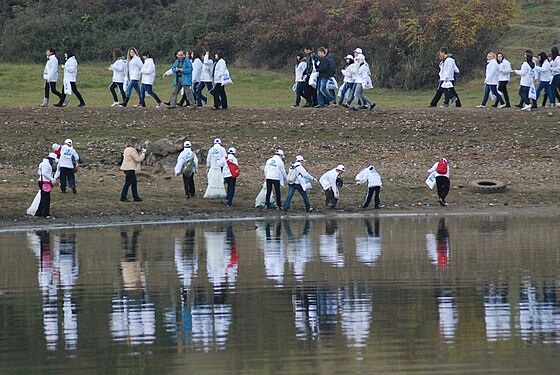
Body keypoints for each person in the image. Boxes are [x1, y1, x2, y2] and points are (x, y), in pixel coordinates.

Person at [120, 137, 146, 202]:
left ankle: (135, 197)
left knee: (134, 183)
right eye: (137, 143)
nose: (138, 145)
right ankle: (123, 197)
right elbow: (138, 160)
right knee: (128, 183)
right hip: (130, 168)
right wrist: (143, 154)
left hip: (126, 168)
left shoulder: (126, 149)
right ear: (133, 143)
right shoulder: (132, 150)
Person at [35, 153, 57, 218]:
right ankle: (46, 213)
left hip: (41, 181)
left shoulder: (42, 163)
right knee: (47, 199)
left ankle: (39, 212)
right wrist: (51, 179)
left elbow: (39, 172)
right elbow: (44, 173)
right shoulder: (47, 165)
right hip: (45, 182)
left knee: (43, 198)